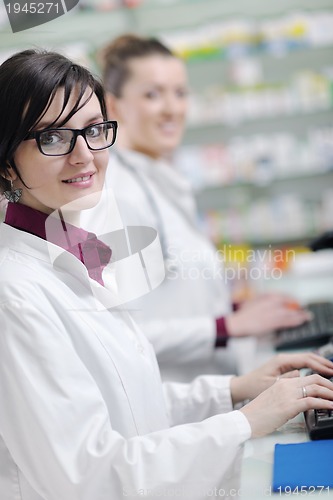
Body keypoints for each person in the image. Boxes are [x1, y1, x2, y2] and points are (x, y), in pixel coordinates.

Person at [1, 48, 333, 500]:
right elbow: (86, 477)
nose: (85, 156)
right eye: (53, 137)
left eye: (94, 131)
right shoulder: (15, 294)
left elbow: (131, 406)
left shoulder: (70, 249)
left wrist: (234, 391)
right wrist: (245, 420)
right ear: (5, 162)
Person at [82, 34, 312, 382]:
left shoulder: (157, 178)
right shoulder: (117, 195)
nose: (172, 108)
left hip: (213, 389)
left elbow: (173, 297)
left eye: (180, 92)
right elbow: (122, 332)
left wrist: (236, 310)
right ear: (113, 108)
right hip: (176, 407)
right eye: (152, 94)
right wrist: (227, 325)